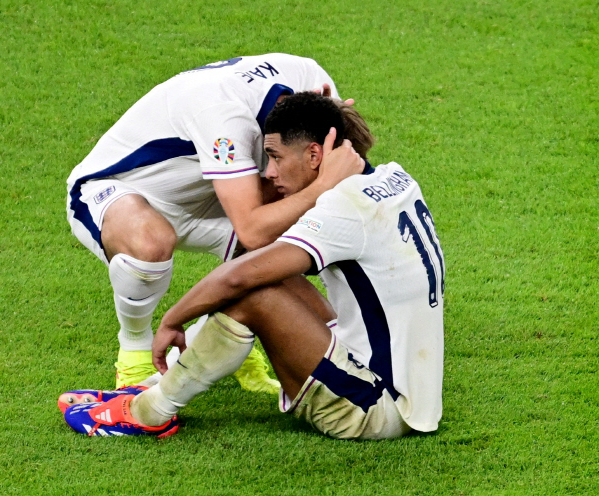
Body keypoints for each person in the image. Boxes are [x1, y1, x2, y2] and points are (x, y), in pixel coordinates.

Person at [63, 92, 445, 440]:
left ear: (315, 156)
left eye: (276, 157)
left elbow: (238, 278)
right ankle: (151, 386)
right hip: (405, 390)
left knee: (253, 294)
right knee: (269, 276)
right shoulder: (393, 177)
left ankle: (148, 412)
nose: (269, 172)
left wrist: (172, 321)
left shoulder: (344, 209)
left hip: (373, 409)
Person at [65, 54, 364, 391]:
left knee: (276, 252)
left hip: (217, 194)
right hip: (122, 191)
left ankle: (253, 335)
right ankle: (134, 350)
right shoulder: (222, 116)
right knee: (152, 243)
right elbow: (252, 229)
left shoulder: (312, 82)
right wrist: (322, 187)